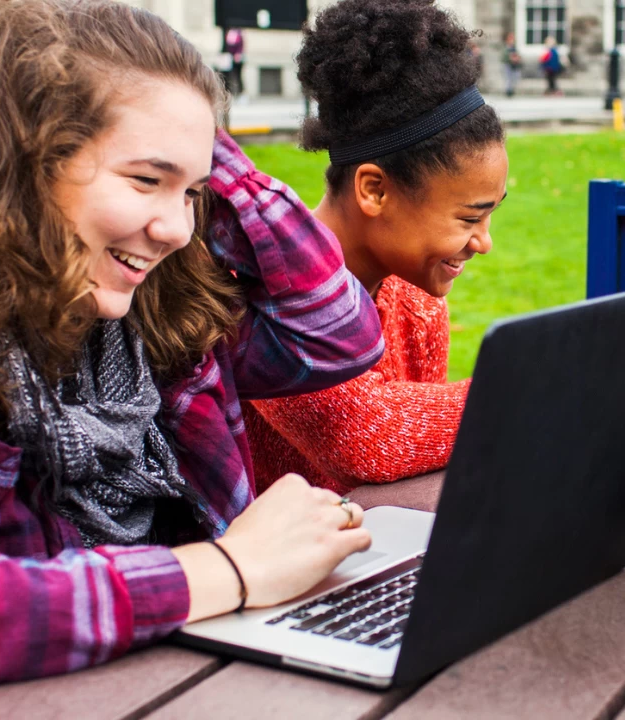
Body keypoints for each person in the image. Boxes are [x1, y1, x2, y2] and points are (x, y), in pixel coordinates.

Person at [0, 0, 384, 698]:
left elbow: (335, 331)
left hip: (195, 686)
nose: (176, 228)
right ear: (24, 161)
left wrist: (187, 122)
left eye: (193, 194)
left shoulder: (157, 326)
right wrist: (228, 570)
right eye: (147, 180)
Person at [244, 0, 508, 492]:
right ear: (374, 190)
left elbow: (418, 471)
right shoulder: (270, 286)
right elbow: (365, 438)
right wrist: (541, 390)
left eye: (492, 212)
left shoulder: (417, 300)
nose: (484, 242)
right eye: (469, 217)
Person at [222, 26, 245, 99]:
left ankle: (241, 93)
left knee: (238, 76)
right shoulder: (227, 33)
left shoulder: (239, 33)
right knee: (227, 77)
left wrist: (238, 54)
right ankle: (228, 94)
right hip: (228, 59)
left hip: (237, 60)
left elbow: (241, 46)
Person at [503, 31, 522, 97]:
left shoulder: (514, 47)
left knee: (514, 78)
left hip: (514, 65)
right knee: (508, 78)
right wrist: (511, 58)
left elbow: (518, 55)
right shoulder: (506, 47)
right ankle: (508, 91)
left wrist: (517, 58)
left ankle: (511, 90)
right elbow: (504, 57)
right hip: (508, 65)